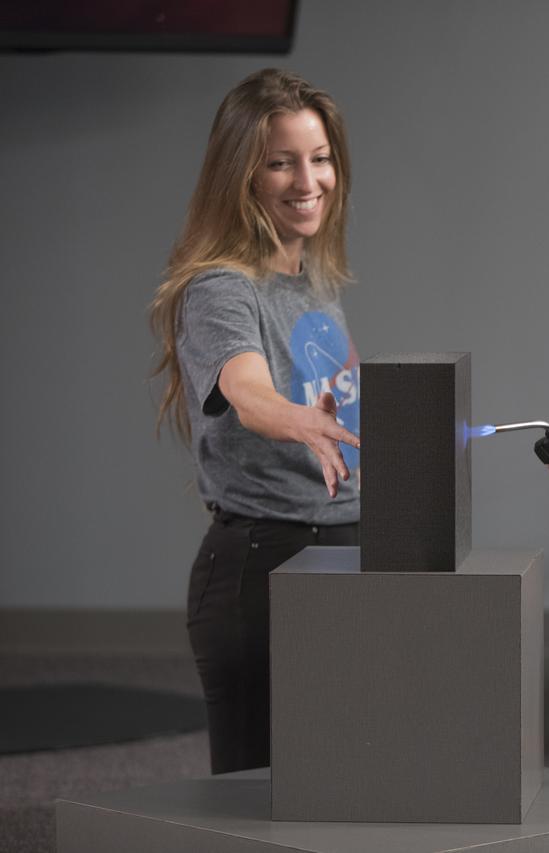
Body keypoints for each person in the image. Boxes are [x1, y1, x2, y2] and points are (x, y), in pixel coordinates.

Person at [149, 68, 362, 774]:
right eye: (281, 162)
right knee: (256, 810)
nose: (309, 180)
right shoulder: (218, 287)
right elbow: (246, 388)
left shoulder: (313, 283)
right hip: (263, 568)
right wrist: (296, 420)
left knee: (344, 789)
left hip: (343, 554)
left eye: (320, 157)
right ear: (242, 174)